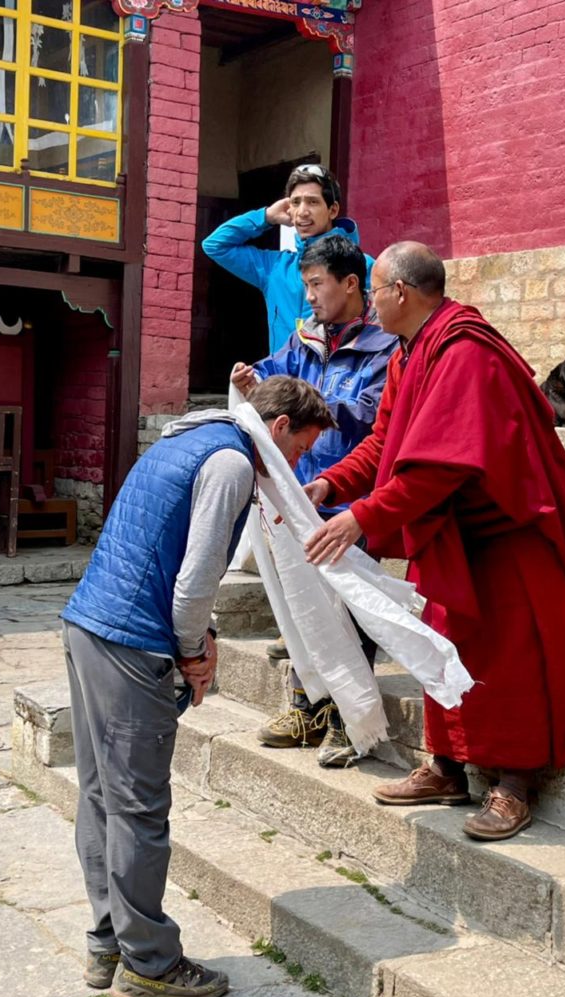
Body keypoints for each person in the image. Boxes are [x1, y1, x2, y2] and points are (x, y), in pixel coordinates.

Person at [304, 242, 565, 842]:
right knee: (442, 646)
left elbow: (442, 468)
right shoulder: (409, 354)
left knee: (508, 660)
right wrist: (332, 482)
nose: (370, 298)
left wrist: (361, 517)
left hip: (508, 534)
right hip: (455, 532)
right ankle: (446, 768)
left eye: (376, 286)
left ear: (401, 294)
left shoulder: (464, 352)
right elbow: (387, 443)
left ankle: (516, 782)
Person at [61, 378, 336, 997]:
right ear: (281, 425)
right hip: (134, 643)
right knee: (137, 807)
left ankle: (111, 943)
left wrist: (199, 634)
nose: (295, 467)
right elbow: (193, 579)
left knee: (102, 796)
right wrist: (194, 653)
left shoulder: (186, 438)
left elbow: (166, 555)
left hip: (89, 624)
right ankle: (150, 965)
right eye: (298, 450)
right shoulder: (233, 463)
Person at [231, 235, 399, 768]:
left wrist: (302, 402)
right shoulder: (302, 340)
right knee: (300, 608)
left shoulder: (385, 347)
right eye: (304, 285)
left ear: (351, 284)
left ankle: (353, 720)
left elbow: (372, 413)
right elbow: (274, 375)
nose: (309, 297)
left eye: (316, 284)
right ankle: (307, 706)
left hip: (352, 498)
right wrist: (252, 379)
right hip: (294, 490)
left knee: (349, 610)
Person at [202, 163, 373, 354]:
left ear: (333, 210)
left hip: (335, 380)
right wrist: (266, 217)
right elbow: (215, 245)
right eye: (295, 202)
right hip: (282, 381)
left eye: (312, 202)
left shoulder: (362, 266)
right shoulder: (274, 268)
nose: (302, 211)